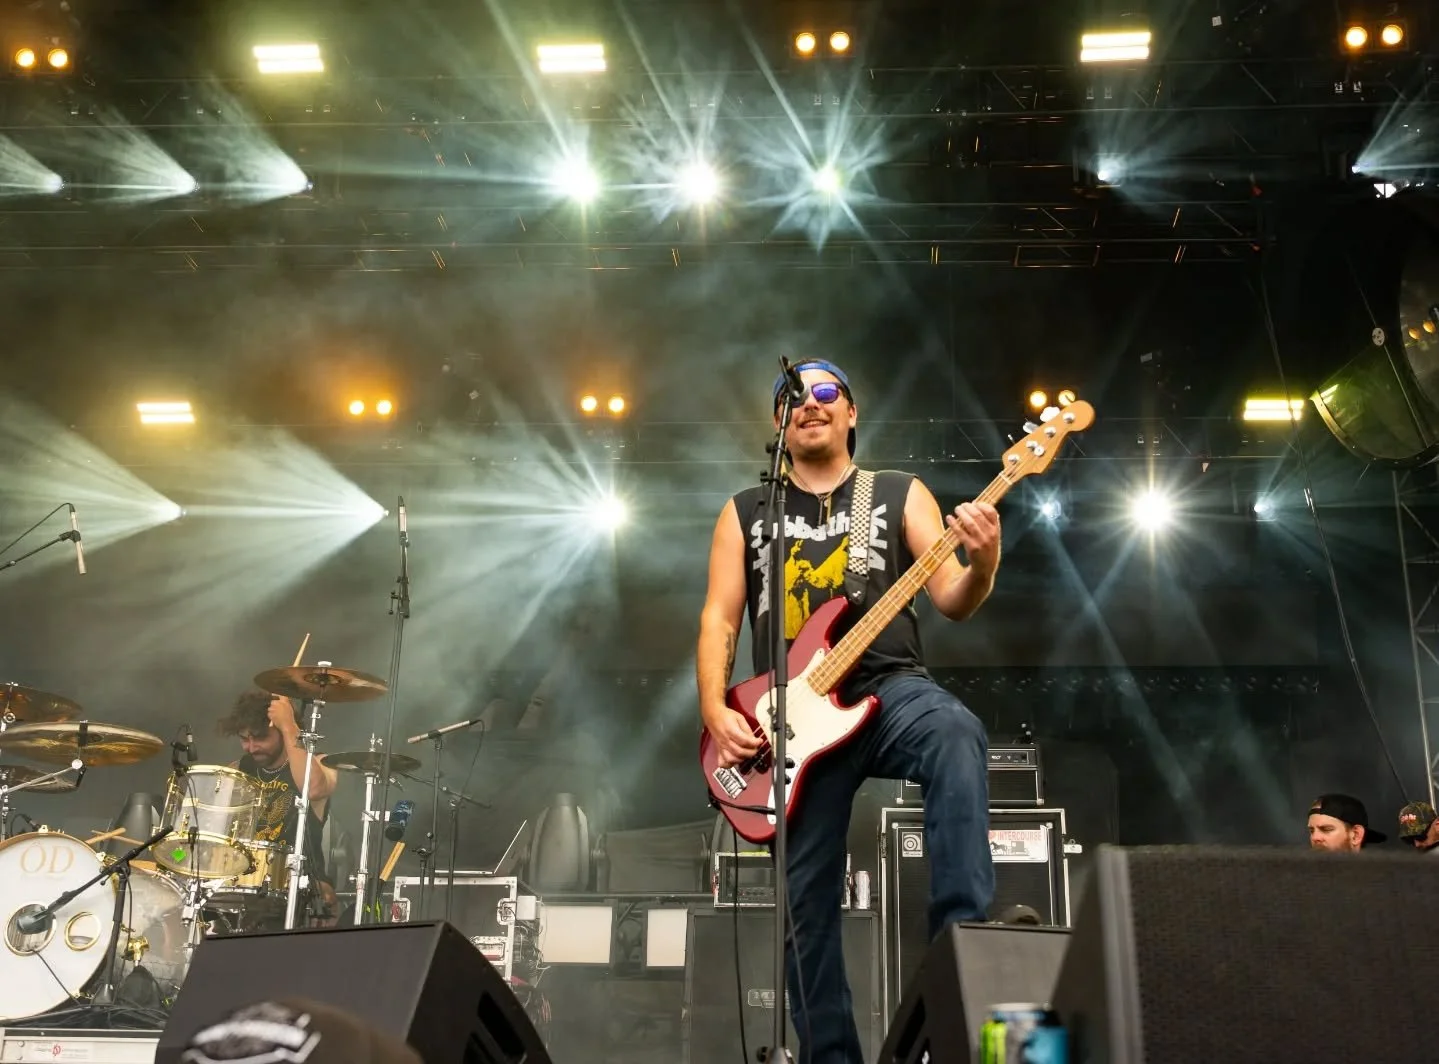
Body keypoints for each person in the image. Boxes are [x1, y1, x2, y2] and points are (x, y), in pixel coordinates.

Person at [696, 359, 999, 1064]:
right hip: (790, 722)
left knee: (955, 733)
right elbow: (719, 618)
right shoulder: (746, 510)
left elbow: (952, 595)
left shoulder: (895, 493)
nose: (809, 403)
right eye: (791, 397)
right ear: (778, 424)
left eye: (825, 391)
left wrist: (982, 562)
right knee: (804, 907)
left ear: (851, 412)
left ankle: (958, 955)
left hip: (888, 686)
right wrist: (715, 706)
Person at [217, 689, 340, 921]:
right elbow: (213, 830)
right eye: (245, 739)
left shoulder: (320, 763)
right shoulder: (237, 770)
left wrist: (289, 725)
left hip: (299, 887)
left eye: (260, 737)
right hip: (242, 888)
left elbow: (312, 789)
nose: (251, 748)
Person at [1307, 793, 1386, 852]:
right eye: (1312, 831)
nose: (1315, 837)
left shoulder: (1379, 873)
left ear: (1356, 835)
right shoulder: (1302, 873)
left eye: (1326, 829)